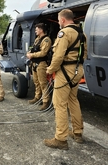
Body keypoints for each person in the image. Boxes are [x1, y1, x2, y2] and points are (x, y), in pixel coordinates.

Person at [44, 9, 87, 150]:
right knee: (73, 100)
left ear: (62, 20)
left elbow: (58, 56)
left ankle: (60, 139)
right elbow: (84, 55)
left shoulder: (64, 33)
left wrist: (50, 69)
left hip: (65, 71)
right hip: (78, 70)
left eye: (58, 19)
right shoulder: (82, 34)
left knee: (59, 104)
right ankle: (78, 133)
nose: (58, 22)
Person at [26, 23, 52, 110]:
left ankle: (46, 101)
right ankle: (37, 97)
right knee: (36, 82)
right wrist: (29, 52)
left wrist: (32, 55)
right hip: (34, 63)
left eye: (36, 29)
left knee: (43, 83)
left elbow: (43, 52)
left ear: (41, 30)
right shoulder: (37, 39)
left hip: (41, 64)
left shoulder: (46, 40)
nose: (35, 31)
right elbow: (34, 48)